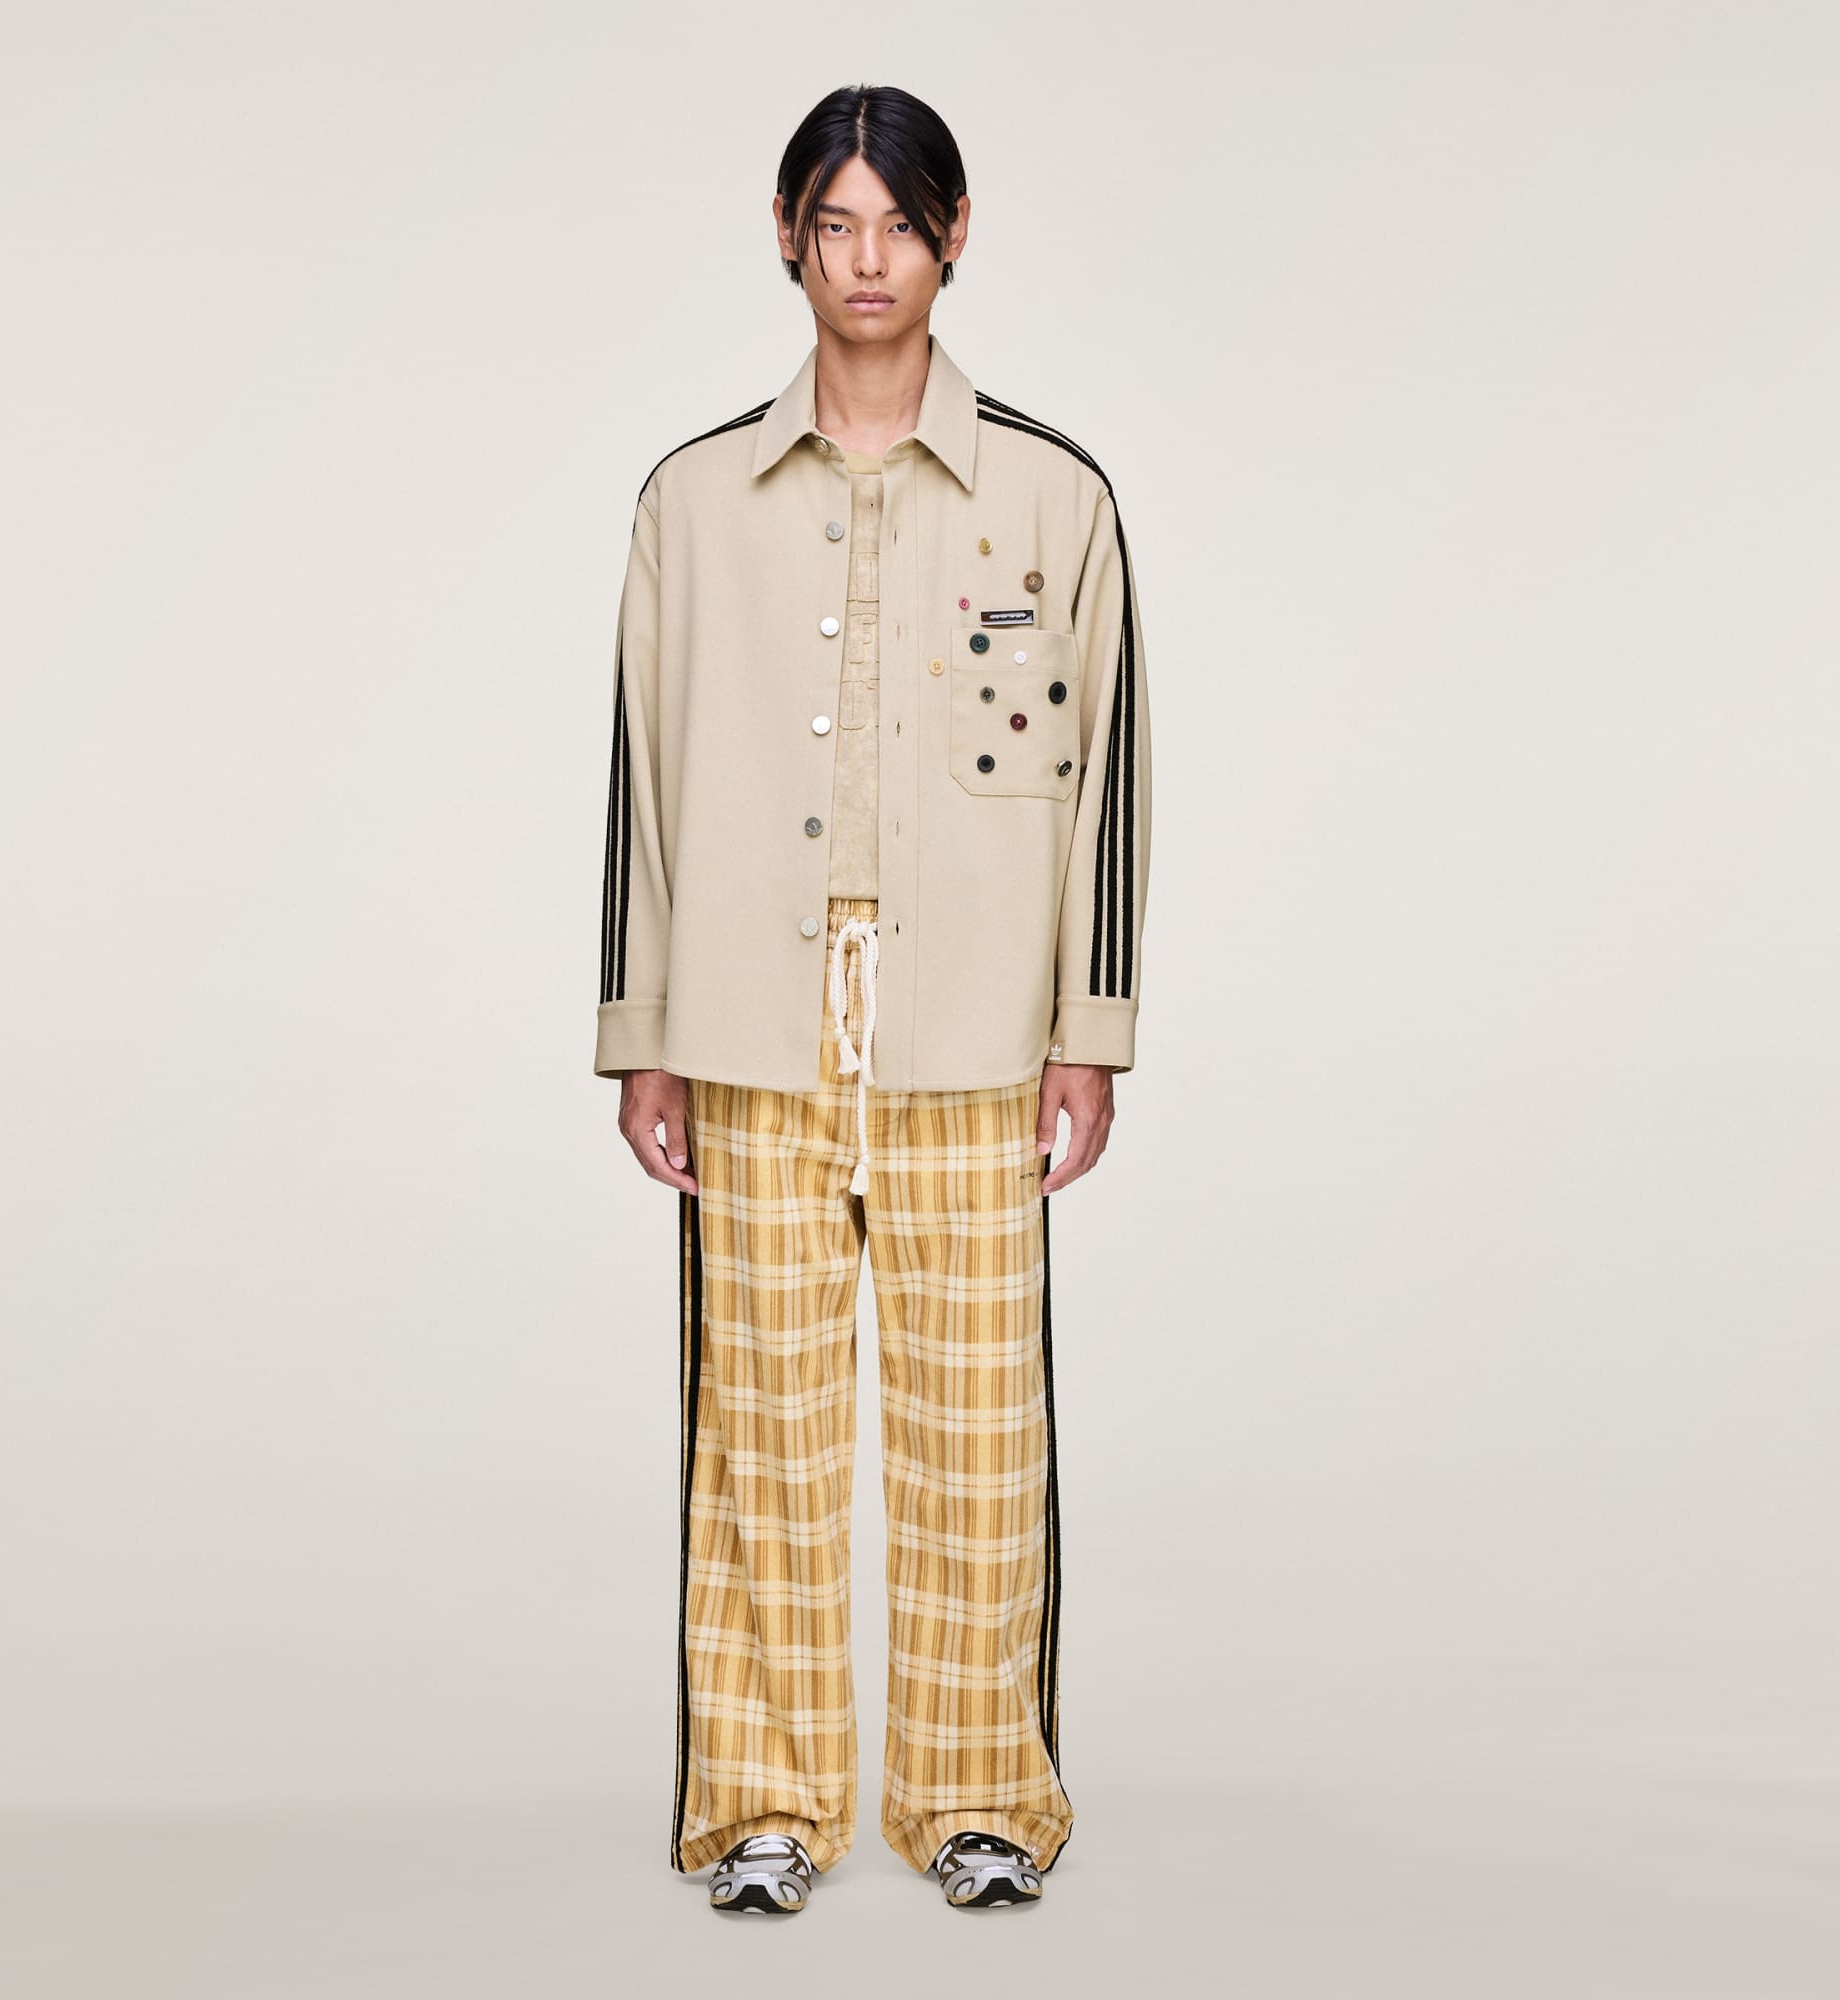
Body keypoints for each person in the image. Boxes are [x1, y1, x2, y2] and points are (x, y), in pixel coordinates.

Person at [594, 82, 1153, 1915]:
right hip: (751, 1019)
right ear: (786, 237)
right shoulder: (692, 499)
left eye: (899, 227)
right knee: (760, 1425)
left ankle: (979, 1792)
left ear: (953, 237)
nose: (866, 262)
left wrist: (1087, 1030)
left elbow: (1108, 784)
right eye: (834, 225)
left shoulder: (1057, 496)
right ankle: (762, 1799)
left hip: (975, 1022)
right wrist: (643, 1036)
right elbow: (644, 780)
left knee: (979, 1431)